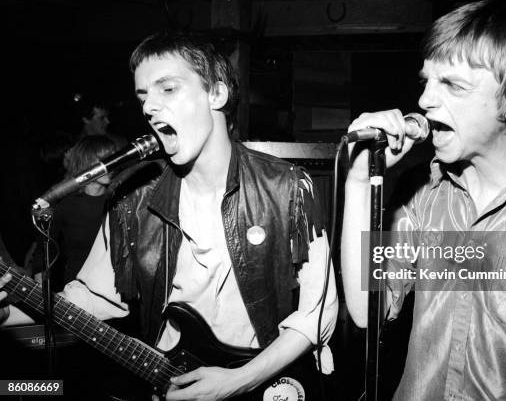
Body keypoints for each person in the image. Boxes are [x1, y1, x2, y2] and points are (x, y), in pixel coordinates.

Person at [1, 31, 337, 400]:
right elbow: (92, 297)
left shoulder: (287, 188)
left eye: (168, 89)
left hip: (265, 384)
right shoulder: (132, 200)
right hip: (172, 382)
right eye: (143, 96)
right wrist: (11, 313)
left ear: (217, 94)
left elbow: (317, 315)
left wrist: (239, 381)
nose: (148, 108)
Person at [340, 0, 506, 400]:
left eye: (452, 85)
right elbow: (367, 312)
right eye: (427, 81)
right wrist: (360, 181)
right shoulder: (420, 196)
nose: (426, 101)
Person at [32, 135, 118, 290]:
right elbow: (45, 251)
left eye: (113, 158)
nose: (110, 165)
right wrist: (41, 285)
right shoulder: (64, 203)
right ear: (84, 163)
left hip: (116, 288)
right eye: (103, 160)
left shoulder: (121, 199)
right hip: (78, 289)